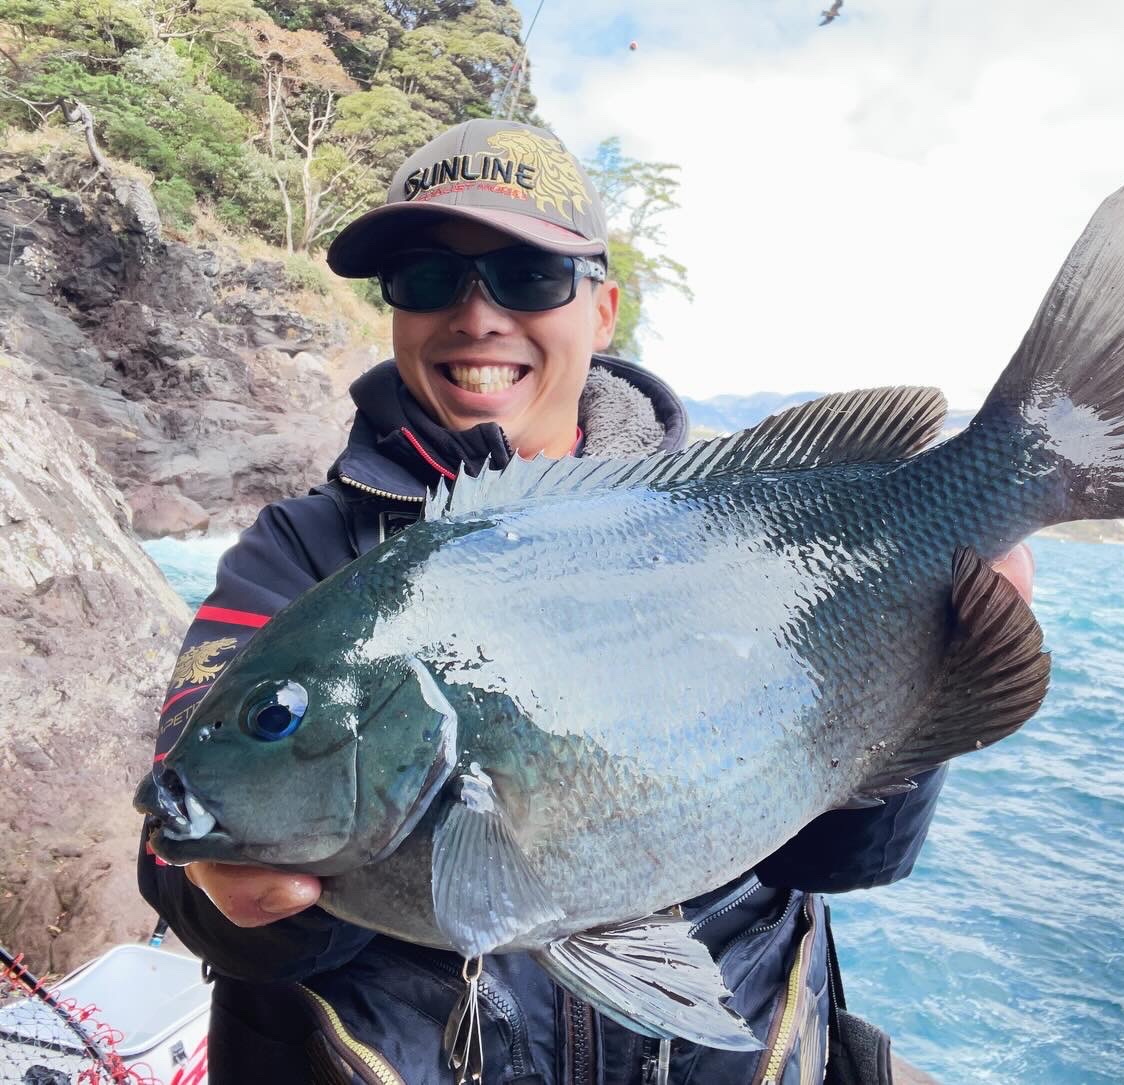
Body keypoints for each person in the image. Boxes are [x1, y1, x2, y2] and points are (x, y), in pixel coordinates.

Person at [138, 118, 1034, 1084]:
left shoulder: (726, 523)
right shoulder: (302, 553)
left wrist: (931, 662)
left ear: (603, 311)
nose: (477, 315)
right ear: (394, 311)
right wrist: (230, 893)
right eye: (428, 278)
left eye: (528, 277)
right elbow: (178, 849)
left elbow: (841, 853)